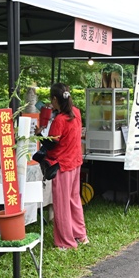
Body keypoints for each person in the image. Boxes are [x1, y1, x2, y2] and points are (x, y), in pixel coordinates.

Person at [44, 83, 88, 250]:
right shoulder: (76, 112)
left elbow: (51, 144)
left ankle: (66, 242)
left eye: (51, 100)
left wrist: (40, 135)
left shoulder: (59, 120)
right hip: (75, 162)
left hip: (62, 165)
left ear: (55, 99)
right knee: (74, 200)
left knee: (61, 204)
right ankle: (80, 235)